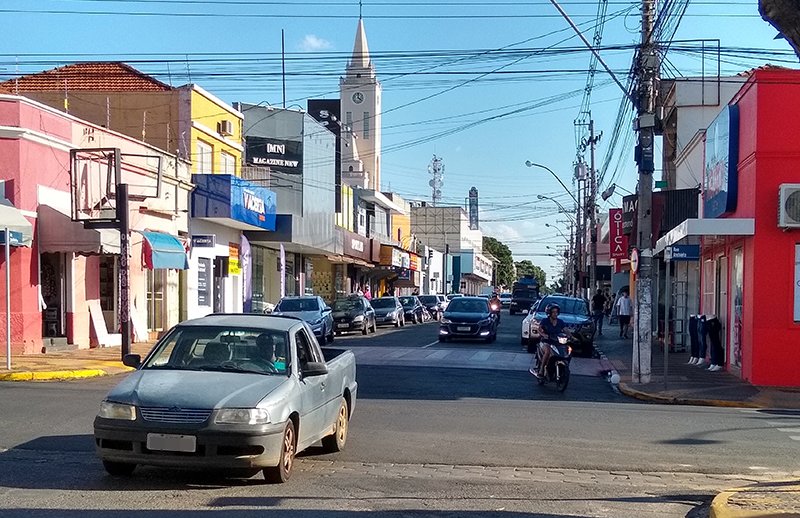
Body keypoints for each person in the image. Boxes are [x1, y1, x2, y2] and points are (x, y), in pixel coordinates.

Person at [537, 304, 570, 377]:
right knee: (547, 351)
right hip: (546, 342)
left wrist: (571, 337)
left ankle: (563, 370)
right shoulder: (545, 321)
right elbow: (539, 330)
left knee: (567, 351)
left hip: (556, 342)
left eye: (556, 312)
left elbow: (566, 330)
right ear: (549, 313)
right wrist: (544, 335)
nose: (555, 314)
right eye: (553, 312)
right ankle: (541, 369)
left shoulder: (560, 322)